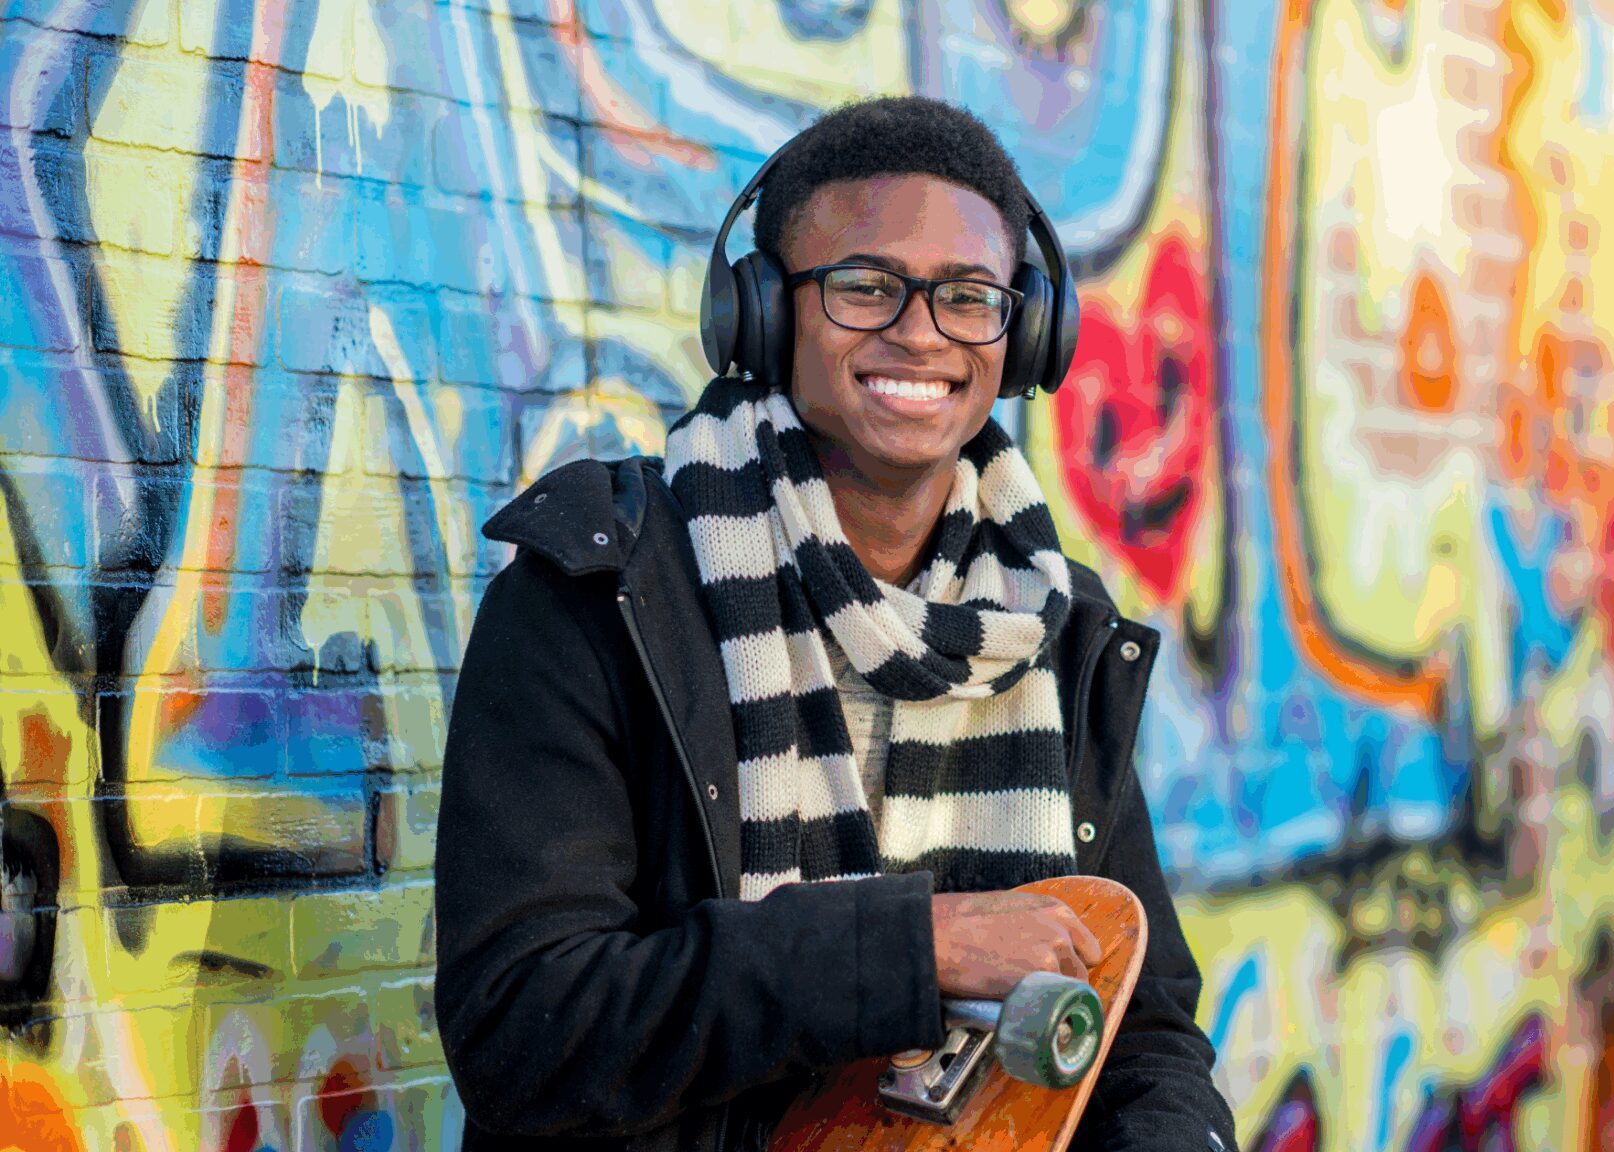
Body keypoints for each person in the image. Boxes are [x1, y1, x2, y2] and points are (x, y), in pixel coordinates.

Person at [433, 95, 1236, 1152]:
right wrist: (915, 948)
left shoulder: (1052, 628)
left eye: (967, 296)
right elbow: (523, 1032)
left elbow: (1144, 1037)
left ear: (1026, 332)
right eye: (864, 288)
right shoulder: (601, 596)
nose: (919, 332)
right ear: (761, 315)